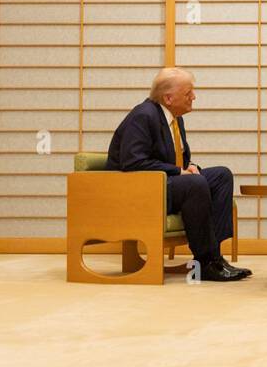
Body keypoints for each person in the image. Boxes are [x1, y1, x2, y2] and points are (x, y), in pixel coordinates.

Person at [107, 68, 251, 282]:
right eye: (188, 93)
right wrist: (179, 171)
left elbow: (177, 159)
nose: (194, 97)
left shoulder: (175, 118)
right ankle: (205, 259)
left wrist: (189, 166)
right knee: (194, 184)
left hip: (166, 184)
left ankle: (213, 258)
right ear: (168, 98)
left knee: (221, 175)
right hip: (140, 190)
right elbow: (133, 161)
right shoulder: (143, 115)